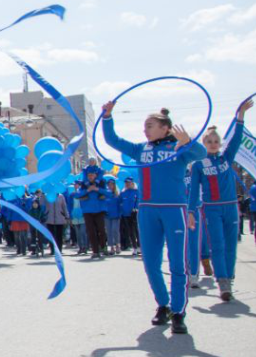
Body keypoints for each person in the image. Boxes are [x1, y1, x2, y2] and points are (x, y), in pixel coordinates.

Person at [101, 104, 206, 334]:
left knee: (178, 264)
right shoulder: (141, 149)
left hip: (174, 209)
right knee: (150, 264)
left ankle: (178, 312)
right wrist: (107, 116)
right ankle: (163, 305)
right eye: (144, 126)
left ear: (165, 128)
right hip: (147, 210)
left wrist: (188, 141)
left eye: (149, 125)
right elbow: (112, 140)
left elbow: (201, 154)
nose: (145, 130)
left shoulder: (178, 148)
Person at [190, 100, 252, 301]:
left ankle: (229, 277)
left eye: (216, 141)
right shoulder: (198, 165)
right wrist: (191, 211)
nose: (213, 144)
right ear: (204, 144)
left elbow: (236, 139)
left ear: (220, 143)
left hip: (230, 207)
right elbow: (193, 191)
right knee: (217, 244)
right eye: (209, 141)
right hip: (211, 209)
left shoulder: (226, 158)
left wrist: (240, 116)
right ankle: (222, 281)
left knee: (231, 245)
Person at [77, 173, 108, 259]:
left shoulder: (101, 183)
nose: (90, 177)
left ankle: (103, 246)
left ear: (95, 176)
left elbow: (108, 193)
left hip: (99, 210)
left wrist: (97, 189)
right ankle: (95, 251)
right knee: (91, 231)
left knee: (101, 230)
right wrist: (88, 190)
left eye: (92, 175)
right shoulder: (84, 185)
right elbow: (77, 195)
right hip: (87, 211)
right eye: (89, 175)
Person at [120, 176, 140, 255]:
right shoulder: (123, 193)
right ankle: (135, 247)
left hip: (135, 213)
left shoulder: (136, 191)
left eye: (129, 182)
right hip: (126, 214)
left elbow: (138, 201)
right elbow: (120, 202)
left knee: (137, 230)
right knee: (131, 231)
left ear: (132, 183)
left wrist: (136, 208)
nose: (127, 184)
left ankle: (140, 246)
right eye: (126, 183)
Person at [44, 190, 69, 256]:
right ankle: (52, 250)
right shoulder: (46, 196)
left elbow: (64, 206)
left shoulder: (61, 196)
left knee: (59, 235)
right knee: (51, 235)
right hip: (50, 218)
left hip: (60, 217)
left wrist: (67, 216)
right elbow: (42, 204)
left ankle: (59, 250)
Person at [104, 178, 122, 255]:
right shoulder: (106, 194)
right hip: (107, 216)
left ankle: (117, 244)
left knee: (115, 230)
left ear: (114, 185)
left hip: (116, 215)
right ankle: (111, 247)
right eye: (109, 184)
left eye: (112, 184)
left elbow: (120, 205)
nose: (110, 186)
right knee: (109, 231)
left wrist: (120, 214)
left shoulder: (117, 194)